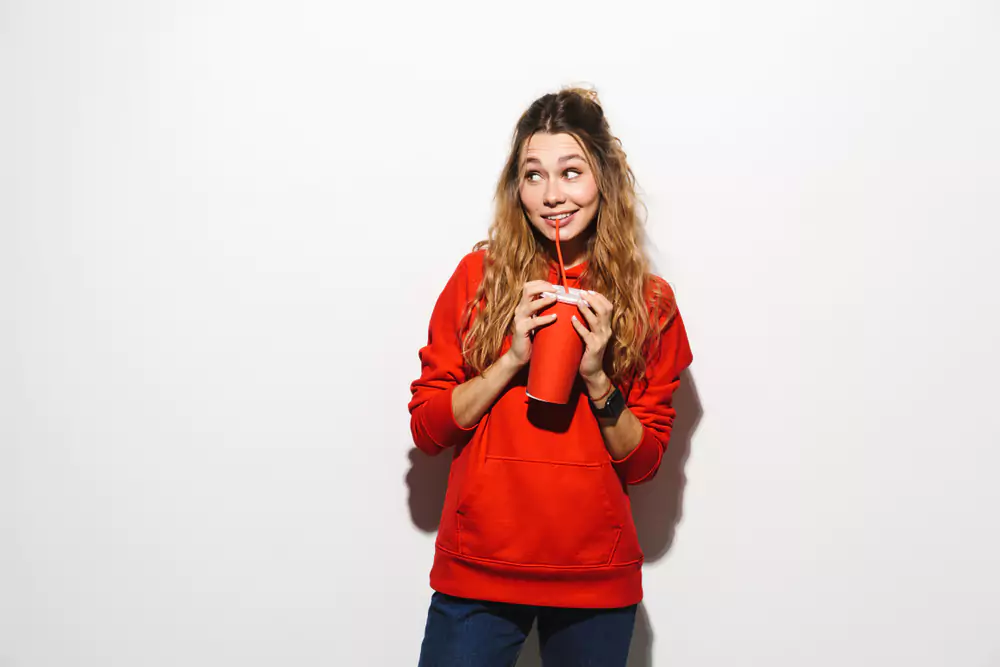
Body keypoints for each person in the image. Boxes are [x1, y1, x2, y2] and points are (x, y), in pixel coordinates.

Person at [408, 86, 694, 667]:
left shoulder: (649, 303)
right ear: (516, 187)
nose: (553, 194)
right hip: (478, 573)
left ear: (604, 182)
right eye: (533, 175)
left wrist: (597, 378)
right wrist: (511, 359)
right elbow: (429, 429)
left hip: (594, 577)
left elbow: (643, 465)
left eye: (571, 172)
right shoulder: (478, 277)